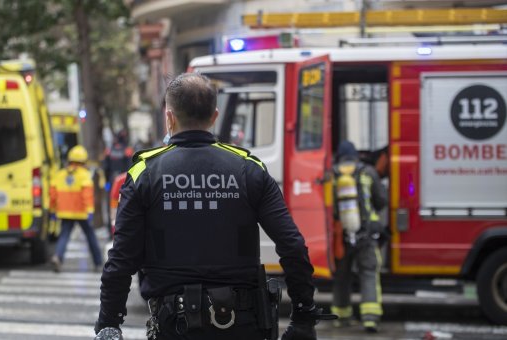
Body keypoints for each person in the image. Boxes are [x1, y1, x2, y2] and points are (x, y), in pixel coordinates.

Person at [94, 73, 334, 340]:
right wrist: (303, 314)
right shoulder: (249, 170)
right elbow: (293, 246)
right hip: (244, 325)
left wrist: (109, 323)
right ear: (215, 116)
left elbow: (122, 258)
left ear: (169, 117)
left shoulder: (144, 173)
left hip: (175, 327)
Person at [330, 140, 388, 333]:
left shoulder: (333, 174)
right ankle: (370, 319)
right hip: (366, 235)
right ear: (355, 155)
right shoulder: (368, 172)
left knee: (342, 277)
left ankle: (341, 317)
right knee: (369, 274)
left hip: (341, 237)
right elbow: (381, 200)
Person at [50, 145, 103, 272]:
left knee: (64, 235)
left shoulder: (60, 174)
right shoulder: (84, 175)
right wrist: (90, 212)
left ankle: (58, 257)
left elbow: (52, 194)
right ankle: (98, 263)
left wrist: (53, 210)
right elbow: (87, 196)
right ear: (84, 161)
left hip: (64, 212)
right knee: (90, 236)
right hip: (82, 213)